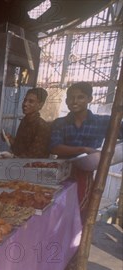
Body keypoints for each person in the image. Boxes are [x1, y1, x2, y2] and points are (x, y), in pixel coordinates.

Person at [50, 82, 122, 220]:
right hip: (60, 172)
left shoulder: (102, 122)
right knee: (56, 211)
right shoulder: (60, 123)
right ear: (66, 101)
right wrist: (84, 149)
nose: (75, 101)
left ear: (90, 99)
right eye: (71, 98)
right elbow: (54, 147)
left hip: (85, 174)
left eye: (80, 97)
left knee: (80, 212)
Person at [5, 87, 51, 158]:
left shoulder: (42, 126)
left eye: (31, 101)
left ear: (40, 105)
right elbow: (19, 147)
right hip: (19, 163)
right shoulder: (24, 121)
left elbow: (33, 155)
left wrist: (12, 158)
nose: (25, 104)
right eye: (25, 100)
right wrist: (10, 139)